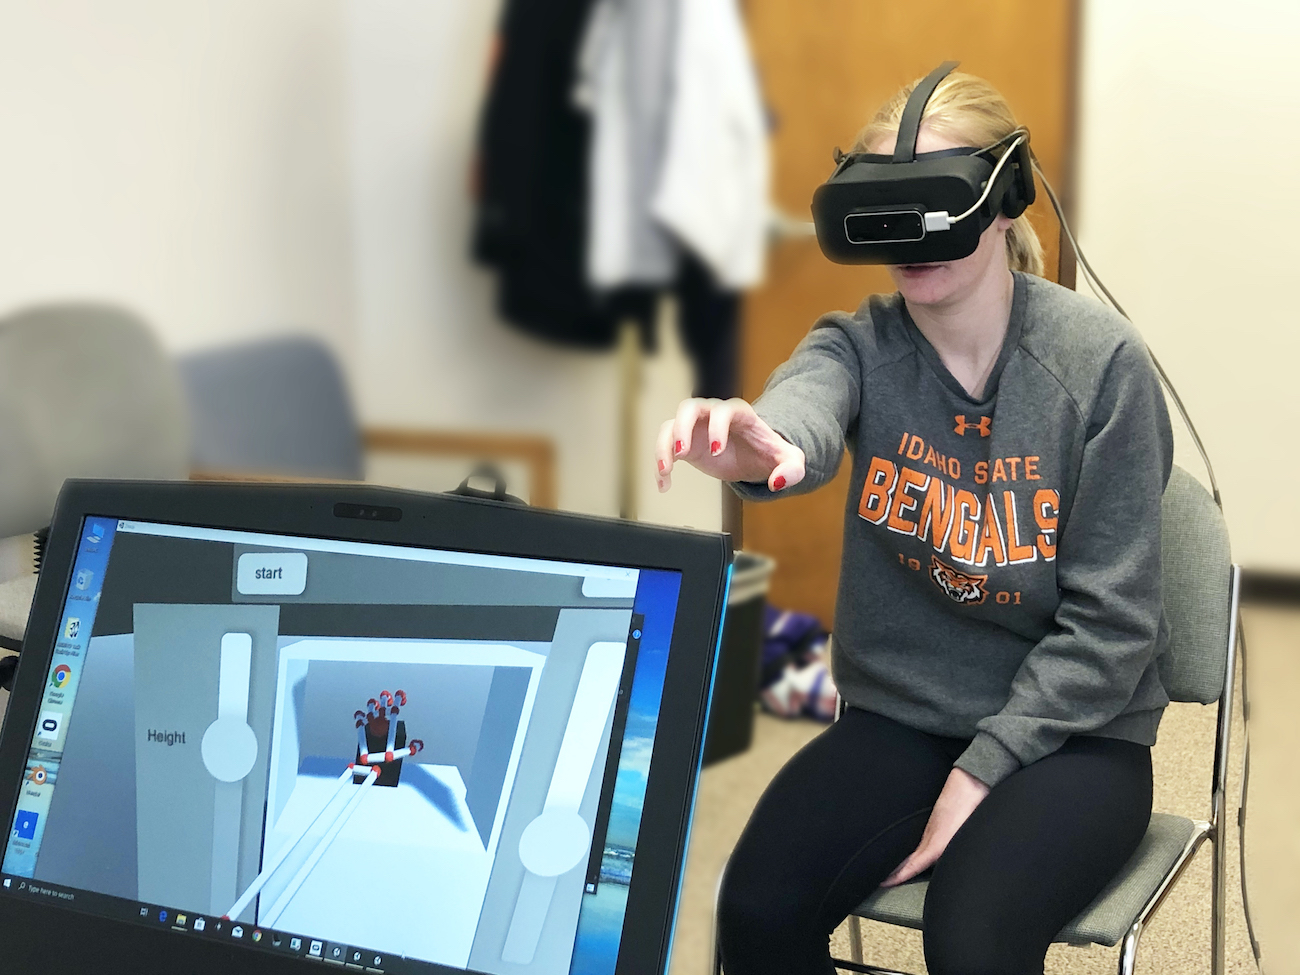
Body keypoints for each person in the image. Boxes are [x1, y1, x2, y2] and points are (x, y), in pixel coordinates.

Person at [654, 71, 1173, 975]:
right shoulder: (859, 346)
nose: (911, 238)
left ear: (1005, 201)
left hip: (1076, 734)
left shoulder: (1100, 369)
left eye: (934, 201)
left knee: (972, 937)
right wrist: (760, 444)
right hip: (903, 714)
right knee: (756, 905)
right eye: (882, 208)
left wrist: (985, 768)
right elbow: (804, 414)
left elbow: (1114, 626)